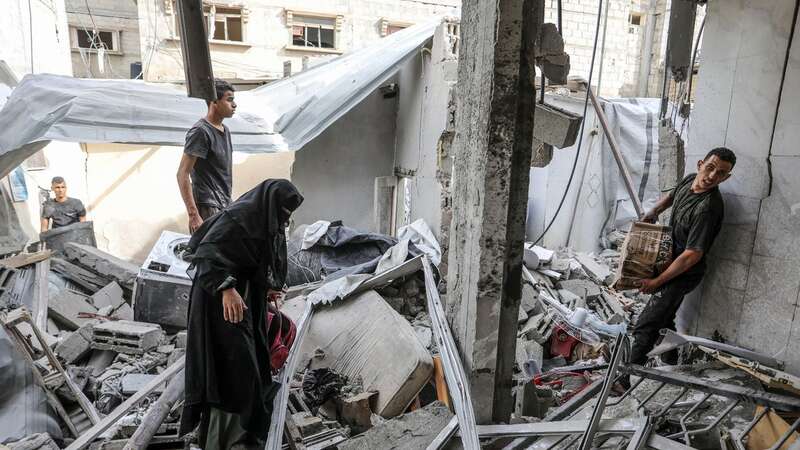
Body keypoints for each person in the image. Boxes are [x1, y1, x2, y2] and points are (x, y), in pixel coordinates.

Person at [179, 179, 303, 450]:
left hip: (245, 297)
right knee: (232, 364)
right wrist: (227, 288)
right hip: (217, 301)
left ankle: (241, 435)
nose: (284, 218)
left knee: (254, 360)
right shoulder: (239, 218)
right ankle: (221, 441)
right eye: (283, 210)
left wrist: (264, 288)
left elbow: (254, 259)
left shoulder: (263, 220)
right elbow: (207, 254)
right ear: (270, 202)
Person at [629, 147, 737, 367]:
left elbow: (692, 255)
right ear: (700, 165)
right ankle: (671, 360)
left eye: (720, 173)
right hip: (670, 259)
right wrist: (654, 211)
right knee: (664, 318)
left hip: (684, 272)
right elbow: (672, 196)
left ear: (727, 177)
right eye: (710, 168)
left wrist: (657, 282)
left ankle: (625, 376)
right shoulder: (689, 179)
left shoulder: (707, 208)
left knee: (647, 323)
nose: (711, 177)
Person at [177, 79, 237, 234]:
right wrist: (193, 214)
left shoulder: (226, 130)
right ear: (214, 102)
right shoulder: (201, 132)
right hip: (207, 207)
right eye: (229, 100)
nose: (234, 104)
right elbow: (182, 173)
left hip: (225, 205)